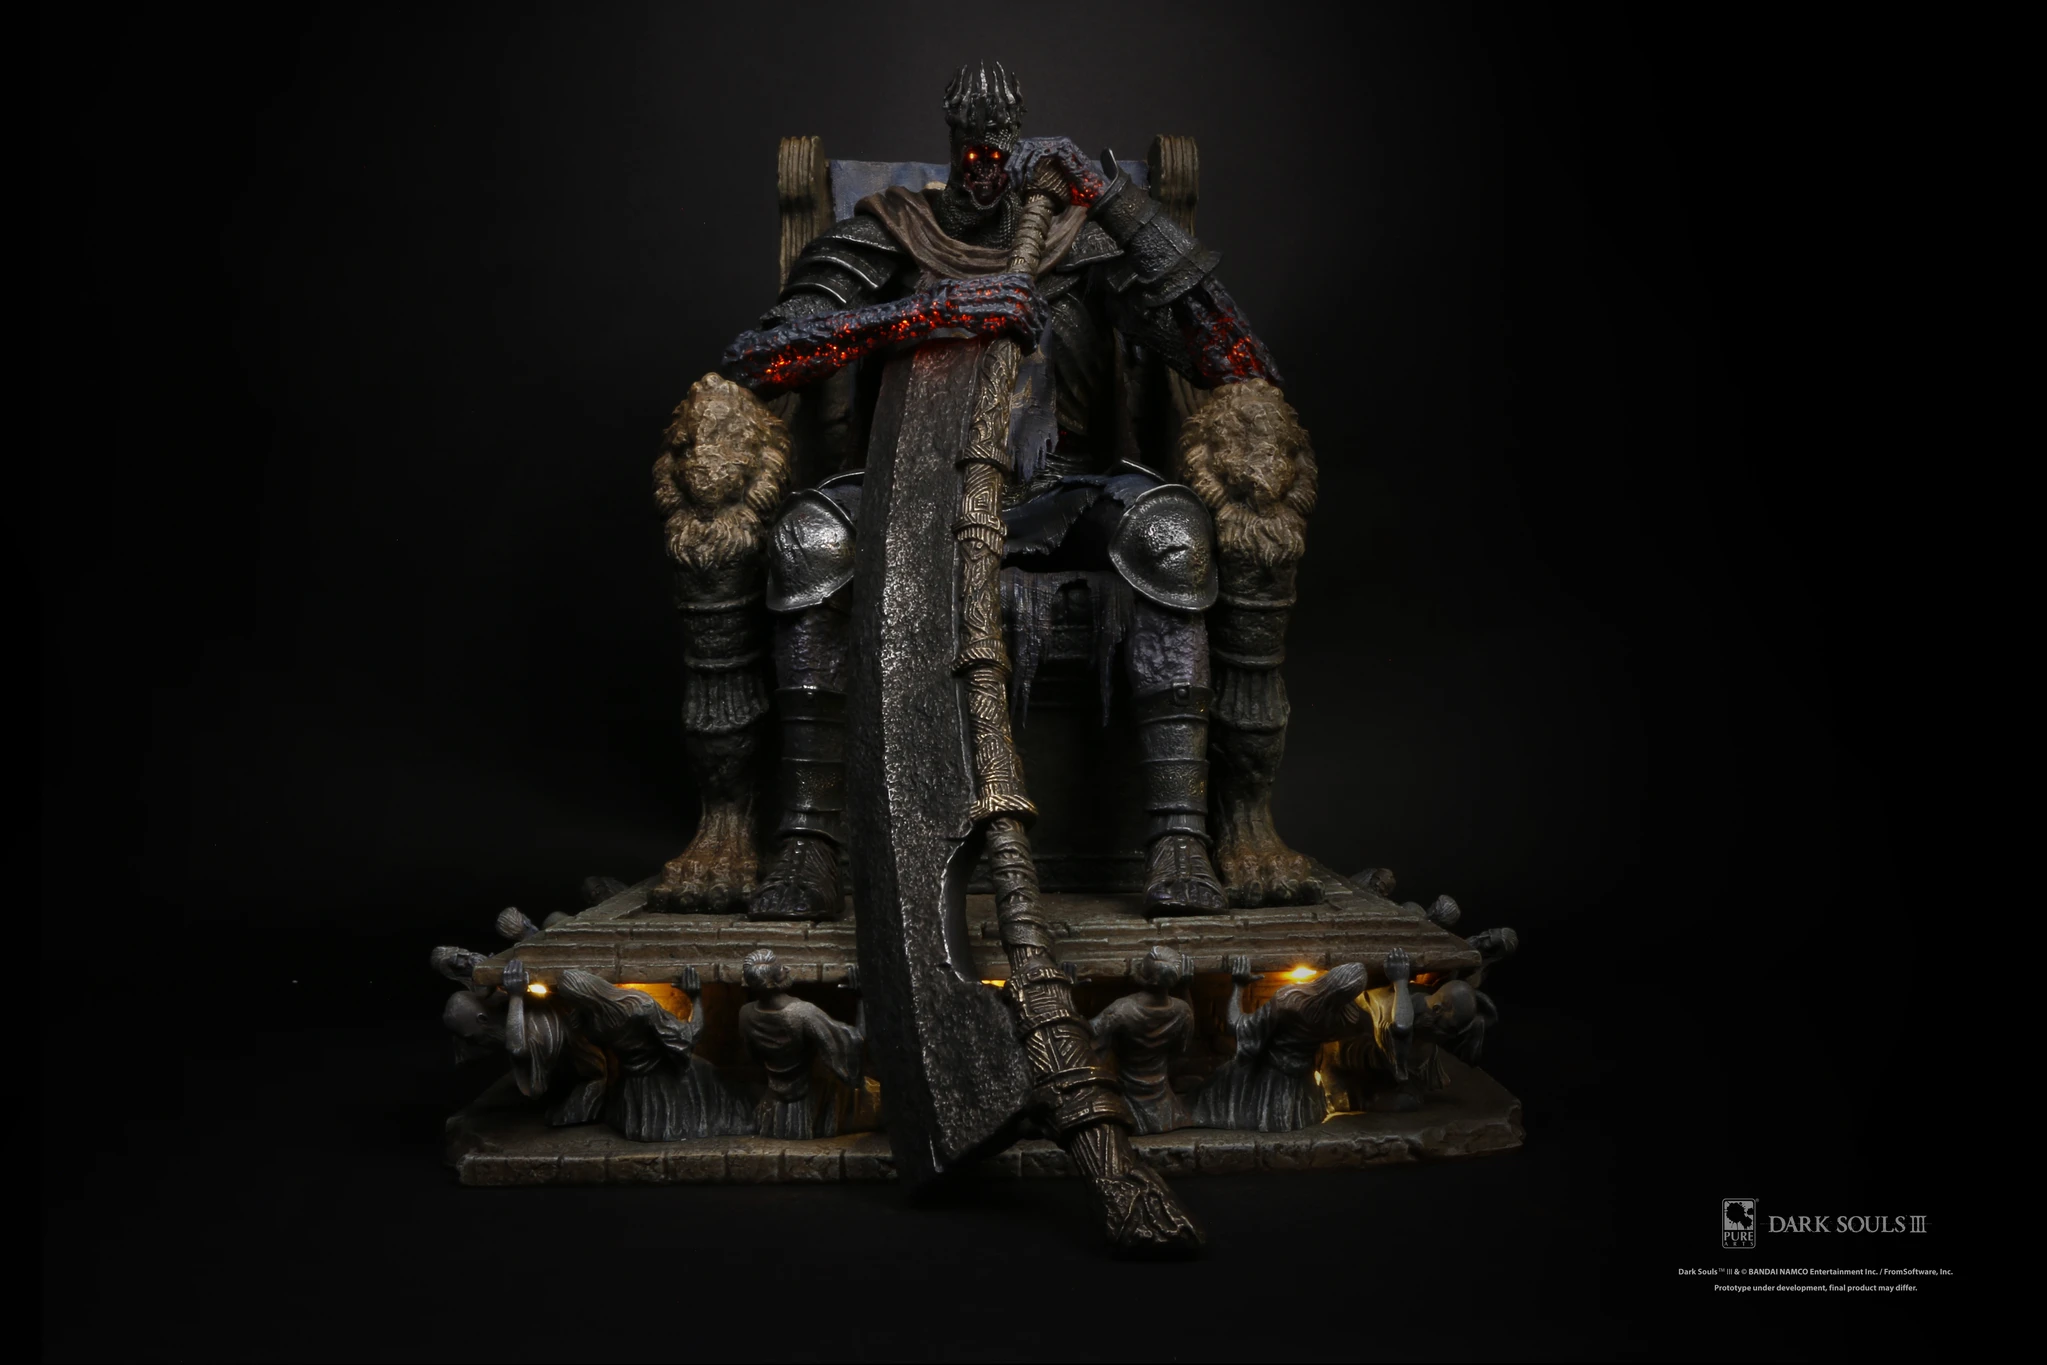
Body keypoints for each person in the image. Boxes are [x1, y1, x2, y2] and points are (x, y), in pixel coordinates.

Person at [651, 60, 1322, 922]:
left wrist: (1114, 202)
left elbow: (1235, 360)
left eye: (999, 155)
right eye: (972, 155)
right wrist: (930, 314)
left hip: (1065, 489)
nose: (985, 173)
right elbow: (760, 357)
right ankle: (812, 838)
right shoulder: (894, 230)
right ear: (954, 146)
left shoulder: (1080, 240)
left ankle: (1179, 836)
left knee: (1174, 537)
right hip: (907, 486)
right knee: (806, 542)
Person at [735, 949, 879, 1138]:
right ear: (773, 982)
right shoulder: (802, 1014)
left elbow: (753, 1057)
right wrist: (862, 998)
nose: (787, 969)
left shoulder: (745, 1014)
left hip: (775, 1105)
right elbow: (855, 1041)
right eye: (781, 969)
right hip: (814, 1101)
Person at [1088, 946, 1199, 1133]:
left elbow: (1085, 1036)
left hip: (1130, 1103)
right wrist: (1186, 988)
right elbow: (1185, 1043)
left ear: (1142, 974)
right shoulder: (1182, 1011)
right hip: (1165, 1108)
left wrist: (1066, 994)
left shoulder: (1121, 1010)